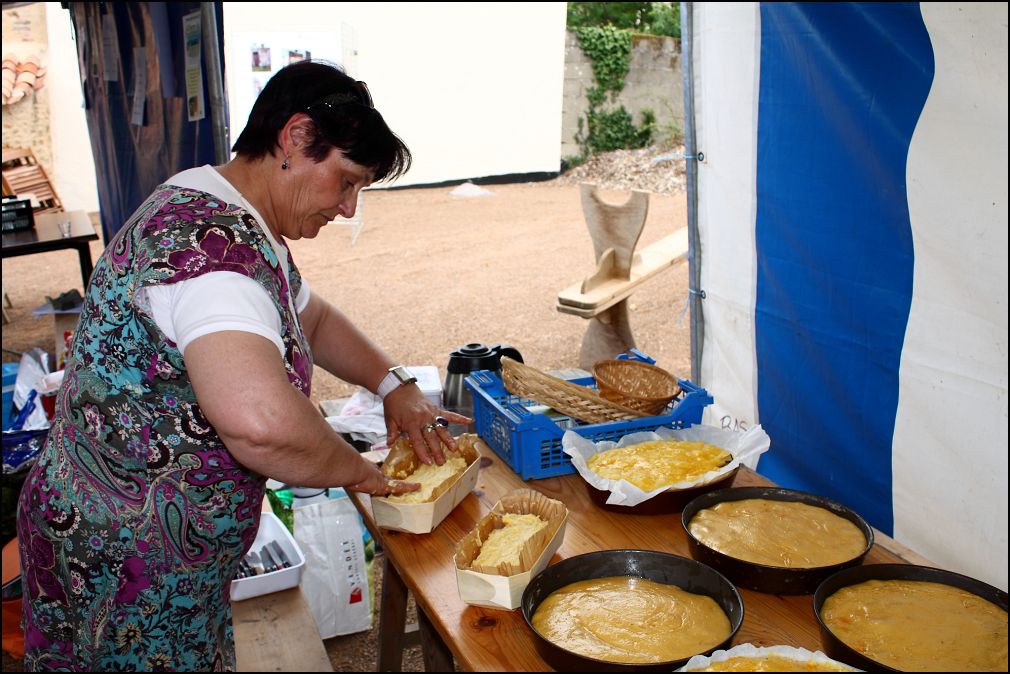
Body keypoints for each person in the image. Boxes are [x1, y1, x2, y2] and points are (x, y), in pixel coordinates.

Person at [16, 60, 469, 671]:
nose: (346, 208)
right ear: (296, 138)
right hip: (128, 559)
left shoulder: (222, 208)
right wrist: (361, 473)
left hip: (116, 532)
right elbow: (260, 421)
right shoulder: (215, 255)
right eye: (346, 181)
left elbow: (313, 319)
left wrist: (394, 385)